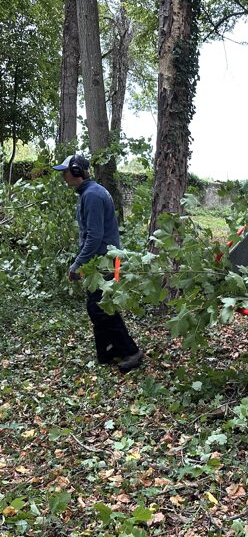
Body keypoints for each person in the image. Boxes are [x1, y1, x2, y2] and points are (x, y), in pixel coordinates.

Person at [53, 154, 143, 373]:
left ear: (76, 172)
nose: (64, 176)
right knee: (98, 307)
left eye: (66, 172)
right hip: (102, 259)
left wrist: (77, 264)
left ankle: (131, 352)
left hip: (104, 261)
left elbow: (94, 236)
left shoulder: (92, 195)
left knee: (101, 308)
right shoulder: (92, 192)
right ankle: (107, 351)